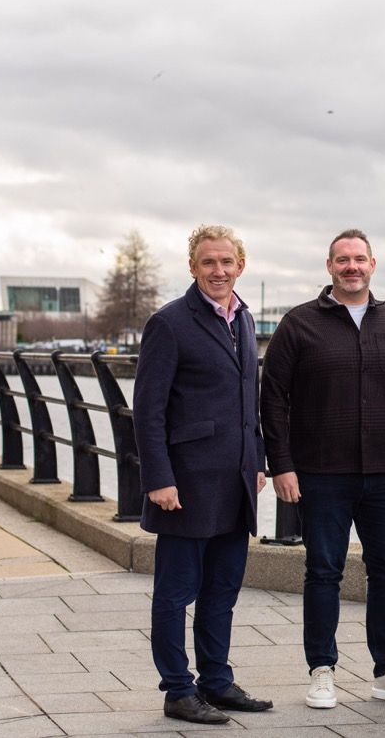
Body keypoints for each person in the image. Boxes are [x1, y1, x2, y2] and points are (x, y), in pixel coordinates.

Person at [261, 228, 385, 710]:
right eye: (343, 260)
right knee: (322, 572)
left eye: (360, 259)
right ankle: (321, 670)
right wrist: (282, 465)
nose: (352, 267)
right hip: (321, 475)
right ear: (329, 266)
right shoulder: (298, 325)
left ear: (373, 265)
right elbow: (272, 400)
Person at [133, 224, 273, 725]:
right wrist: (158, 478)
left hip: (235, 484)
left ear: (241, 266)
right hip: (186, 484)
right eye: (209, 262)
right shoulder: (169, 323)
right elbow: (148, 411)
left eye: (227, 262)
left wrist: (256, 460)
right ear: (193, 267)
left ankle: (216, 680)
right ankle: (177, 689)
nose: (219, 270)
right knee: (175, 593)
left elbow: (247, 402)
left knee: (222, 591)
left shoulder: (244, 320)